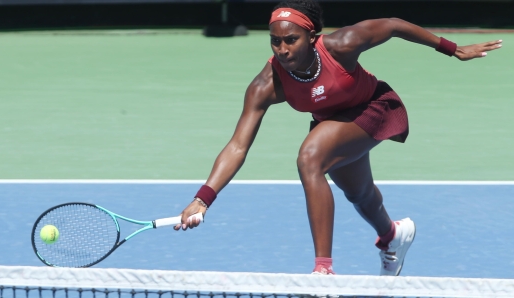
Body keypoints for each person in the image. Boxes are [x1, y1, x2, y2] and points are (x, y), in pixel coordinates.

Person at [173, 0, 502, 276]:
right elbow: (238, 145)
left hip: (374, 107)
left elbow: (394, 24)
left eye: (292, 40)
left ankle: (323, 271)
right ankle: (393, 235)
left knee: (309, 158)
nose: (283, 49)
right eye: (275, 41)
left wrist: (452, 48)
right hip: (333, 124)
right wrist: (203, 199)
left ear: (312, 37)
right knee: (358, 194)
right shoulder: (267, 85)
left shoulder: (342, 44)